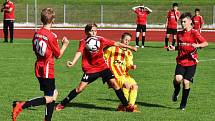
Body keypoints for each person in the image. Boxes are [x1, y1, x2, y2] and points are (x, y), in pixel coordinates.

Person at [55, 23, 137, 112]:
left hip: (103, 67)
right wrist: (73, 62)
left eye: (95, 30)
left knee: (114, 84)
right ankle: (62, 104)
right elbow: (79, 52)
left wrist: (130, 47)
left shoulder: (100, 39)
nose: (94, 33)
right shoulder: (83, 41)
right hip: (90, 69)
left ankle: (126, 106)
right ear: (86, 32)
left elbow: (116, 43)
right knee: (80, 88)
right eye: (91, 31)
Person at [12, 8, 69, 121]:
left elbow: (35, 49)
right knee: (50, 97)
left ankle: (47, 119)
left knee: (54, 93)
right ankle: (21, 105)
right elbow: (58, 55)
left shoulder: (37, 33)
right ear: (53, 20)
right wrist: (65, 45)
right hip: (47, 69)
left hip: (39, 67)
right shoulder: (52, 36)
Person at [168, 12, 208, 110]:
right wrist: (174, 48)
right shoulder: (179, 34)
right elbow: (181, 47)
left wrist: (197, 45)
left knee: (186, 82)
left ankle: (183, 104)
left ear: (190, 22)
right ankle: (176, 90)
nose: (182, 24)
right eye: (181, 22)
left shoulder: (194, 33)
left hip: (191, 62)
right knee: (177, 79)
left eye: (184, 21)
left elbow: (205, 43)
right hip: (181, 61)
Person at [104, 32, 139, 112]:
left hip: (125, 75)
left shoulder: (129, 52)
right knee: (127, 85)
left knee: (135, 86)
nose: (127, 41)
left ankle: (131, 106)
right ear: (121, 39)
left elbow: (129, 64)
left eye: (128, 40)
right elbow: (104, 58)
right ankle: (124, 106)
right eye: (125, 39)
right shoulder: (112, 48)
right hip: (115, 74)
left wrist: (132, 66)